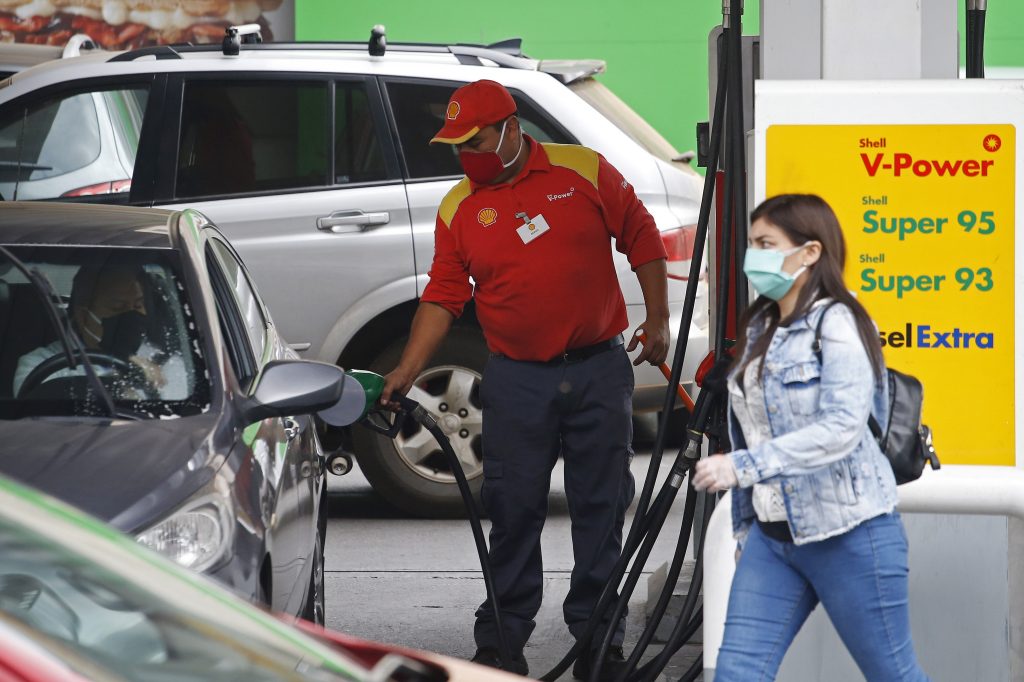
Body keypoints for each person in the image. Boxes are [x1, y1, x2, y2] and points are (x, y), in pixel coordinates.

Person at [379, 79, 670, 679]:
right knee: (512, 509)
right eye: (456, 145)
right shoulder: (459, 207)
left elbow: (641, 235)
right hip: (515, 379)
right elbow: (443, 295)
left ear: (511, 129)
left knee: (600, 505)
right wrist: (407, 370)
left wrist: (659, 318)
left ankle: (599, 638)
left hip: (597, 370)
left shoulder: (582, 170)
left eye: (476, 140)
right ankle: (502, 642)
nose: (467, 155)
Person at [692, 194, 930, 681]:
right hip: (773, 538)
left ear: (810, 253)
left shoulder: (839, 322)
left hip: (851, 534)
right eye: (753, 242)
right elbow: (748, 430)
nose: (754, 255)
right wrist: (744, 529)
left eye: (767, 243)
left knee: (893, 675)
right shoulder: (760, 325)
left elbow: (841, 428)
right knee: (737, 674)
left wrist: (742, 468)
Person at [14, 264, 177, 399]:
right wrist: (121, 383)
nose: (131, 315)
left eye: (138, 305)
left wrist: (157, 384)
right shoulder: (40, 365)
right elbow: (40, 422)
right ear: (83, 315)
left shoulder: (164, 361)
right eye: (117, 307)